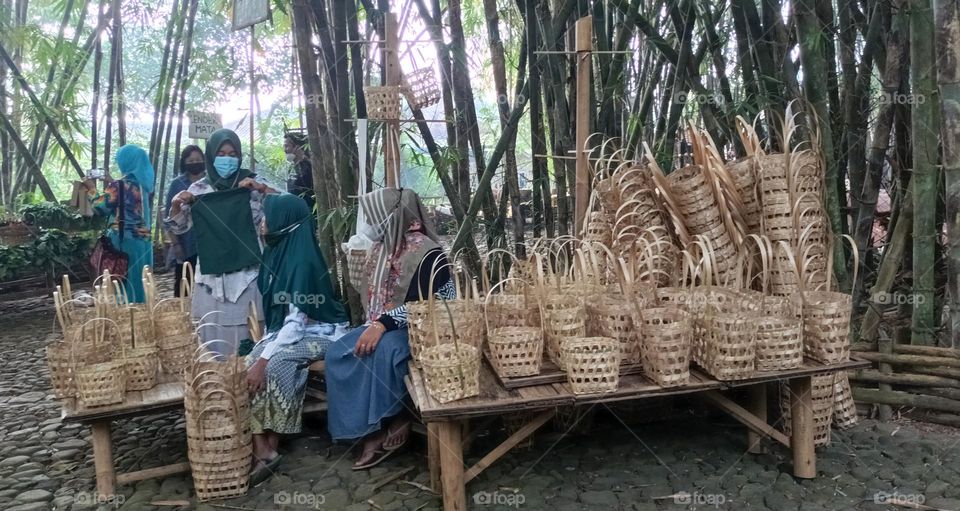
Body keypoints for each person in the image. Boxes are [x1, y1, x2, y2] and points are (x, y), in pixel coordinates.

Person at [325, 188, 455, 470]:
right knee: (337, 354)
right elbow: (371, 295)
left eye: (374, 218)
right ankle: (366, 426)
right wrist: (375, 323)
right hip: (380, 324)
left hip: (423, 331)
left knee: (384, 351)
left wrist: (383, 324)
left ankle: (391, 420)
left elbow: (433, 305)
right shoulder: (382, 248)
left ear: (392, 217)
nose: (370, 225)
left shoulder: (428, 253)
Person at [244, 193, 349, 483]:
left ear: (284, 222)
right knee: (249, 363)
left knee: (277, 364)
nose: (263, 223)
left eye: (268, 217)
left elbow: (295, 325)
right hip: (289, 332)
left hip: (325, 333)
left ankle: (271, 445)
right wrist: (260, 356)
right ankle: (261, 446)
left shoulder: (301, 261)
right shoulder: (276, 252)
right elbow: (283, 325)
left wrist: (264, 360)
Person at [165, 128, 279, 355]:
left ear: (240, 156)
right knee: (214, 333)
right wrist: (177, 204)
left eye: (232, 154)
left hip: (249, 271)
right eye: (221, 154)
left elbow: (288, 207)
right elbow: (179, 226)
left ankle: (252, 370)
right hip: (212, 275)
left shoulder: (252, 184)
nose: (227, 159)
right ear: (211, 156)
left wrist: (263, 190)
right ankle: (221, 374)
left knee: (253, 326)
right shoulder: (199, 189)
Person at [85, 145, 155, 303]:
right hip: (143, 243)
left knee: (123, 283)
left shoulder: (118, 186)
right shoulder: (145, 187)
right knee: (140, 281)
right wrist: (112, 182)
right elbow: (127, 201)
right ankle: (141, 310)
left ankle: (125, 313)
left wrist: (91, 189)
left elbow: (99, 207)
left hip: (124, 243)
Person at [164, 145, 205, 297]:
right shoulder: (177, 184)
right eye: (191, 161)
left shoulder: (211, 182)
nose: (195, 163)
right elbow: (169, 218)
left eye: (198, 160)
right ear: (184, 162)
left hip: (208, 243)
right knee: (183, 288)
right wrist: (176, 244)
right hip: (186, 243)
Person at [282, 132, 314, 207]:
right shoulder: (292, 167)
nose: (284, 150)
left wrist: (305, 159)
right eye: (284, 146)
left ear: (297, 147)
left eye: (287, 146)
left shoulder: (307, 166)